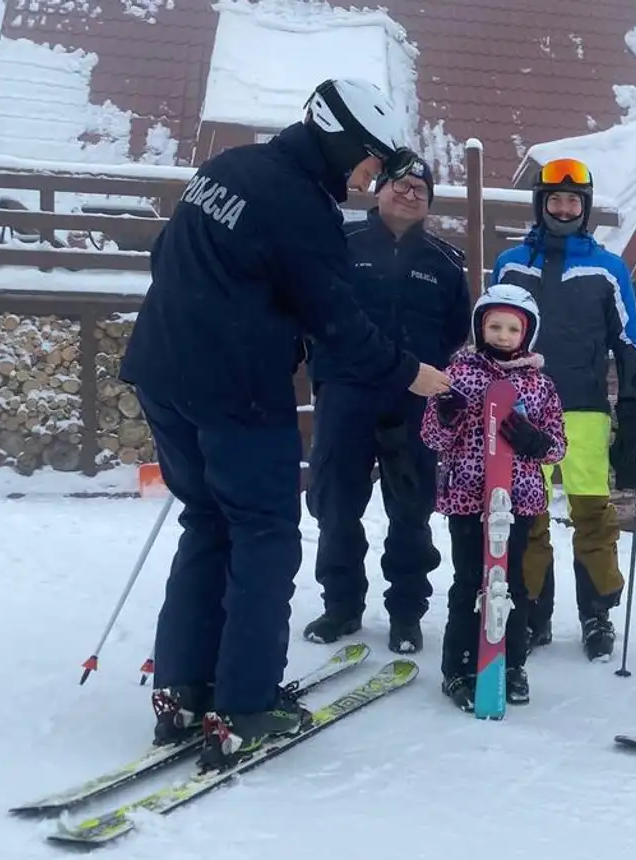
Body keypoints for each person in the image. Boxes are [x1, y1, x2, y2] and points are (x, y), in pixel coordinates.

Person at [119, 78, 450, 770]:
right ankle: (244, 708)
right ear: (340, 141)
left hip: (161, 375)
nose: (374, 178)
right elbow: (337, 322)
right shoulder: (302, 211)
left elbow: (164, 257)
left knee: (208, 521)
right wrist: (412, 371)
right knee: (265, 538)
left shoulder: (226, 169)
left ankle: (183, 691)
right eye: (374, 161)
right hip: (235, 393)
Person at [302, 156, 471, 655]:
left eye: (420, 188)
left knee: (411, 510)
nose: (409, 194)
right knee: (335, 505)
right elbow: (317, 310)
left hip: (413, 399)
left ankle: (405, 613)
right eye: (400, 184)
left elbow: (453, 330)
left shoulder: (445, 261)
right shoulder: (341, 245)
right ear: (378, 191)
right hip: (345, 393)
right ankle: (341, 605)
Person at [489, 157, 636, 661]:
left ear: (585, 208)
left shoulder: (607, 266)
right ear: (540, 204)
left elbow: (629, 340)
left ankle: (596, 615)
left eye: (572, 201)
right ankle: (533, 610)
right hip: (522, 408)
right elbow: (490, 330)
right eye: (554, 199)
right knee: (527, 514)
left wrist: (630, 404)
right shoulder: (511, 262)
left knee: (592, 514)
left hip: (584, 409)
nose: (562, 208)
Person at [419, 284, 567, 710]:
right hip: (468, 497)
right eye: (494, 326)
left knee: (513, 584)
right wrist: (447, 415)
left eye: (512, 329)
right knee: (471, 583)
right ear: (480, 328)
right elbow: (431, 436)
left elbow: (558, 444)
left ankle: (511, 662)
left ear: (527, 334)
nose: (503, 336)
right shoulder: (460, 375)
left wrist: (535, 442)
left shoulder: (540, 385)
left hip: (517, 499)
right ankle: (460, 666)